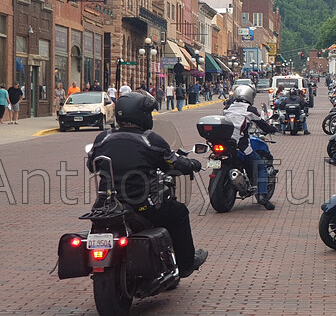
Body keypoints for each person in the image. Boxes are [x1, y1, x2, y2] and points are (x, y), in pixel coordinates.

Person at [86, 91, 208, 277]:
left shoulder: (102, 139)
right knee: (179, 213)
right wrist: (192, 164)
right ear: (141, 115)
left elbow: (91, 166)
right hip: (143, 206)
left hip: (107, 206)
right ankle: (186, 264)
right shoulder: (150, 140)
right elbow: (173, 163)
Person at [223, 85, 279, 209]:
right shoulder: (250, 109)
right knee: (260, 167)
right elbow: (262, 125)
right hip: (240, 146)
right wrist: (273, 129)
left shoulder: (228, 108)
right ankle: (262, 196)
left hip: (225, 143)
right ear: (249, 96)